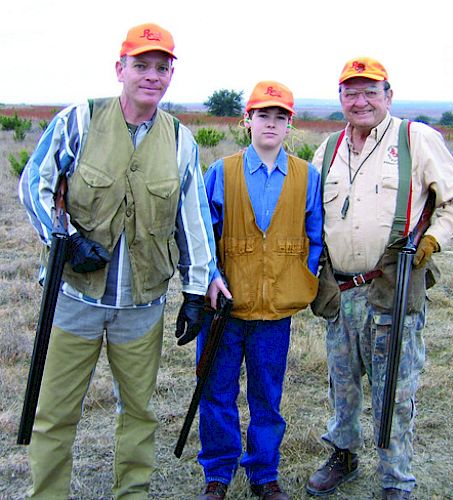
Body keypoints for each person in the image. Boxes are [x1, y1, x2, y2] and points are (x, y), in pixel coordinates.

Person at [18, 22, 228, 499]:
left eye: (162, 67)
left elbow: (192, 221)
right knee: (55, 414)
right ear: (120, 69)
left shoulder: (180, 141)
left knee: (138, 412)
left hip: (142, 306)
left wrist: (196, 292)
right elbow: (35, 183)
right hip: (74, 298)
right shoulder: (81, 120)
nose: (152, 75)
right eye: (141, 65)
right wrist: (65, 240)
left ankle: (131, 494)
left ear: (170, 75)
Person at [305, 57, 453, 499]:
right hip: (340, 291)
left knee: (395, 390)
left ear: (388, 95)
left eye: (369, 91)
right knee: (342, 383)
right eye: (350, 92)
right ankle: (343, 453)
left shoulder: (417, 139)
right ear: (340, 98)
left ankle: (395, 477)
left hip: (393, 287)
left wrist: (433, 239)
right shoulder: (329, 148)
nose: (360, 100)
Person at [195, 81, 323, 500]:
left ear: (290, 125)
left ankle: (264, 475)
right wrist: (211, 278)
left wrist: (295, 284)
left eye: (280, 117)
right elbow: (203, 235)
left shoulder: (307, 177)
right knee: (217, 393)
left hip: (274, 317)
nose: (271, 123)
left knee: (268, 397)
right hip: (225, 312)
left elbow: (313, 238)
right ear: (246, 120)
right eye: (262, 115)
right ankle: (218, 473)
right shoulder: (221, 172)